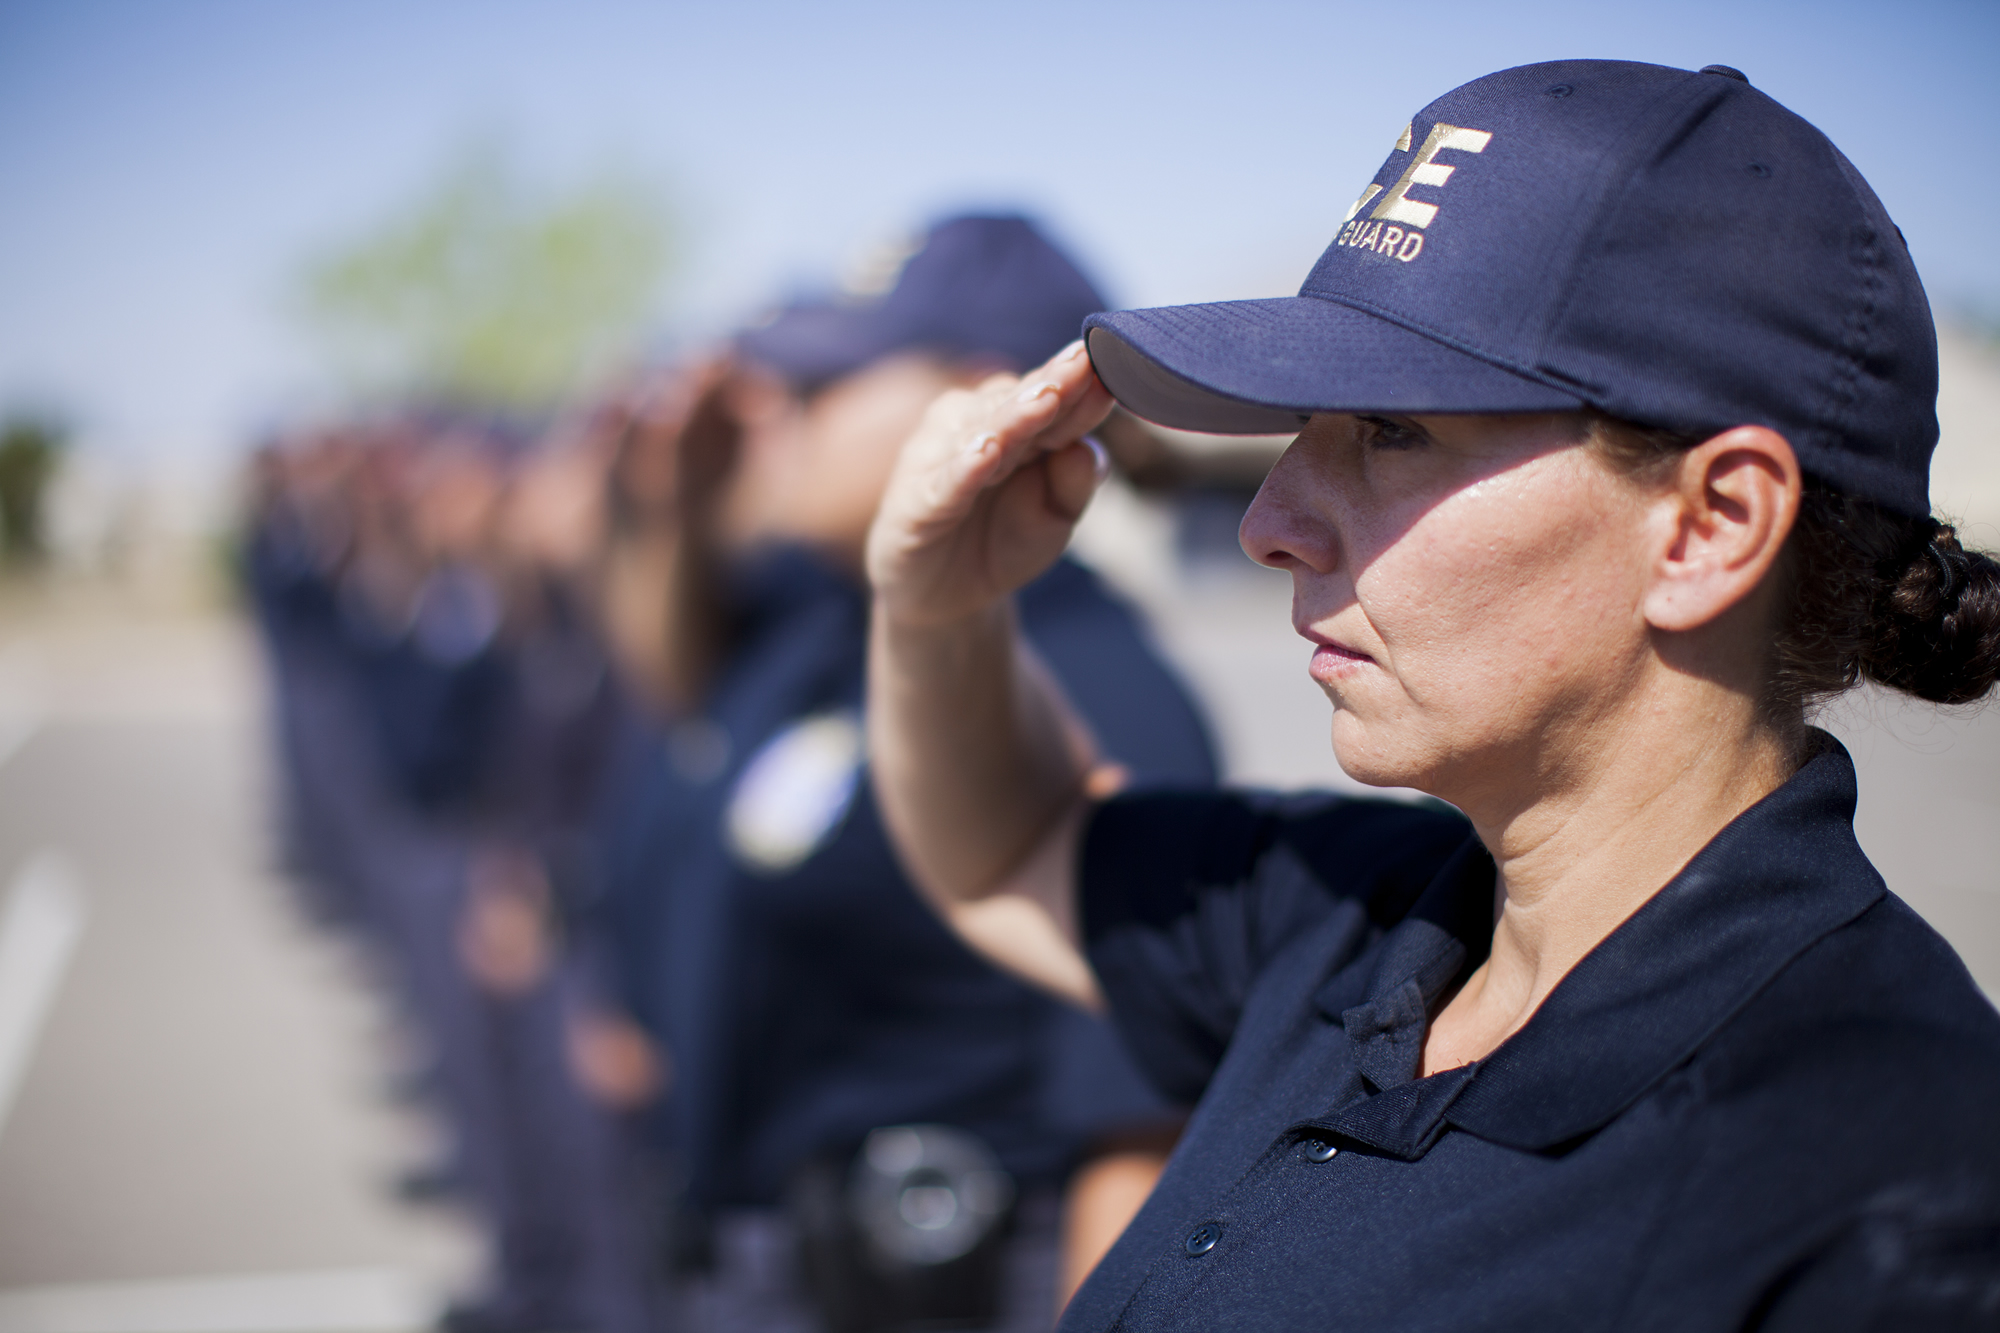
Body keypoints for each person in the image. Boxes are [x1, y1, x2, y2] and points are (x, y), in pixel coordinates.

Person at [863, 61, 2000, 1330]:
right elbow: (1011, 847)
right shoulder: (1362, 922)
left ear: (1709, 526)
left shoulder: (1886, 1184)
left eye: (1391, 429)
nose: (1267, 521)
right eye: (1305, 422)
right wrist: (935, 608)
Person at [580, 216, 1217, 1330]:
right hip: (758, 1250)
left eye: (819, 389)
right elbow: (671, 669)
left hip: (933, 1277)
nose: (773, 417)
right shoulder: (823, 618)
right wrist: (675, 498)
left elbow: (1141, 1115)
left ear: (984, 397)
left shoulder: (1091, 684)